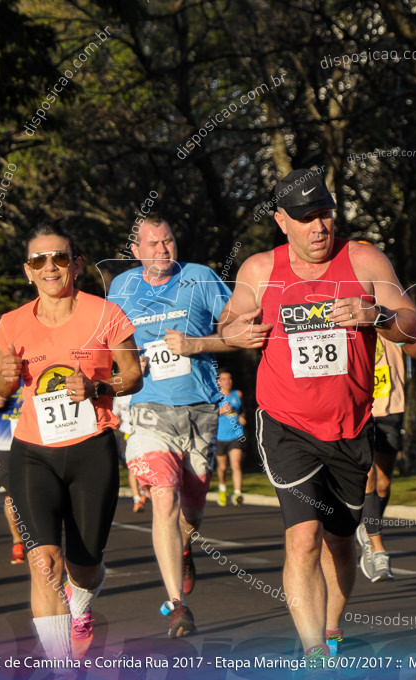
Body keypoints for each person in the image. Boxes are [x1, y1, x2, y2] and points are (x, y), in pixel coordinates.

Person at [222, 168, 416, 661]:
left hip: (350, 426)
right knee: (304, 538)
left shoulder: (364, 258)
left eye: (325, 214)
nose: (318, 226)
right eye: (306, 217)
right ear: (281, 221)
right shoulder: (260, 269)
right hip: (285, 422)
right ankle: (315, 656)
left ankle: (332, 630)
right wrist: (236, 332)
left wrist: (375, 315)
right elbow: (231, 320)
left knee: (339, 542)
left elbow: (413, 326)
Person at [0, 220, 142, 661]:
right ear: (28, 270)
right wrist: (3, 376)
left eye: (59, 257)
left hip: (90, 447)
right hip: (33, 452)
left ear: (75, 265)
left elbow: (133, 375)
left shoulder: (104, 313)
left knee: (85, 563)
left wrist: (98, 388)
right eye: (40, 260)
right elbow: (2, 380)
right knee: (45, 562)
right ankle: (60, 667)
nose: (50, 266)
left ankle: (85, 595)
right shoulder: (12, 323)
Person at [107, 213, 242, 637]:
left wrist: (195, 344)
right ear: (136, 251)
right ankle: (177, 604)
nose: (162, 250)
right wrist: (126, 365)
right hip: (148, 411)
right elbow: (110, 346)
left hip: (199, 409)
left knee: (192, 510)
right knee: (163, 496)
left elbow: (240, 333)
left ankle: (185, 544)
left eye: (168, 242)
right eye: (153, 244)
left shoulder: (200, 278)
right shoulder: (121, 287)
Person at [357, 334, 416, 582]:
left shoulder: (393, 314)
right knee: (368, 476)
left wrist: (402, 330)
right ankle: (378, 549)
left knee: (384, 483)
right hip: (358, 406)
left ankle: (368, 525)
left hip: (390, 407)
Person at [0, 384, 27, 563]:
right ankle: (18, 541)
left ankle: (44, 543)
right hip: (6, 445)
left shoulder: (39, 362)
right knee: (11, 496)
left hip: (36, 440)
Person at [214, 370, 246, 507]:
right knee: (222, 467)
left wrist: (243, 417)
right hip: (219, 436)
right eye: (224, 379)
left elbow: (242, 410)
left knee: (236, 464)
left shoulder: (237, 394)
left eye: (229, 378)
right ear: (219, 381)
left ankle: (237, 493)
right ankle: (222, 489)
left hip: (236, 435)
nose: (227, 381)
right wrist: (221, 411)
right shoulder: (215, 397)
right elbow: (207, 415)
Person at [111, 394, 147, 512]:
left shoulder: (141, 390)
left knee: (146, 464)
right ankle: (137, 498)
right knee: (133, 467)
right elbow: (114, 415)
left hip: (143, 433)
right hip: (126, 433)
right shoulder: (119, 396)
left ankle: (143, 489)